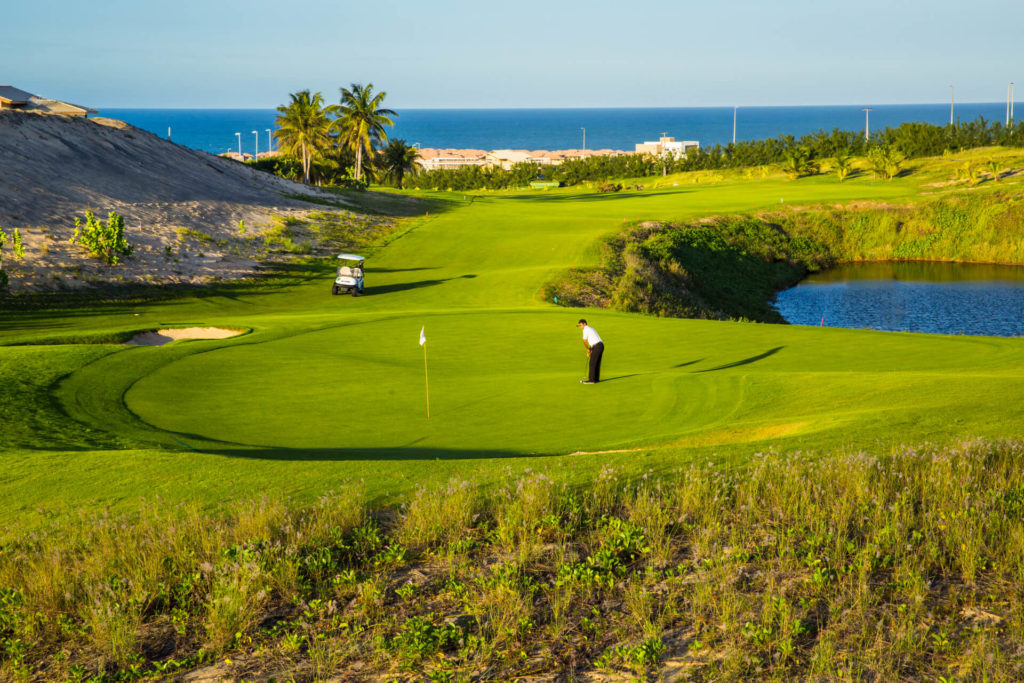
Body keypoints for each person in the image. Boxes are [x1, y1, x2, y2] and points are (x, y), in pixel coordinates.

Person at [577, 319, 604, 384]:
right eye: (579, 326)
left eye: (580, 325)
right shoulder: (591, 328)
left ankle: (591, 380)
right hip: (600, 346)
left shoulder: (585, 329)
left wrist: (588, 350)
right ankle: (596, 379)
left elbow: (584, 341)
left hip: (597, 346)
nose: (580, 327)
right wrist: (589, 350)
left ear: (584, 324)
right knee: (597, 362)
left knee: (592, 363)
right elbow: (593, 342)